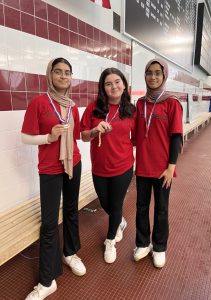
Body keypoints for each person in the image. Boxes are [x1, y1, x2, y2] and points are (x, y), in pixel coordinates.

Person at [21, 58, 86, 300]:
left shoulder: (73, 105)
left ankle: (70, 253)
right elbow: (25, 138)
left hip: (73, 163)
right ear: (49, 75)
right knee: (49, 223)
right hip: (49, 168)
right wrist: (48, 137)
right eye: (57, 72)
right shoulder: (38, 102)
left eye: (67, 72)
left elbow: (77, 137)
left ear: (71, 77)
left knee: (71, 210)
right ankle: (48, 281)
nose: (62, 76)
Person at [80, 68, 136, 264]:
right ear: (103, 87)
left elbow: (136, 139)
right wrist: (96, 130)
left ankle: (110, 240)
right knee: (106, 204)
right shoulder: (94, 108)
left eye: (117, 81)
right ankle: (119, 220)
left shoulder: (130, 109)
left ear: (124, 84)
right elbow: (83, 136)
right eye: (108, 83)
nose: (114, 86)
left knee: (116, 204)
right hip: (100, 168)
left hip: (123, 166)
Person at [133, 58, 183, 268]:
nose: (153, 77)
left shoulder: (172, 103)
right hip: (143, 167)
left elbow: (176, 137)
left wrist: (171, 167)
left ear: (164, 76)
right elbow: (134, 133)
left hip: (163, 169)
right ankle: (143, 243)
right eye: (149, 73)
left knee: (161, 209)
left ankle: (159, 247)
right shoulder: (140, 103)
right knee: (141, 207)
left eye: (157, 73)